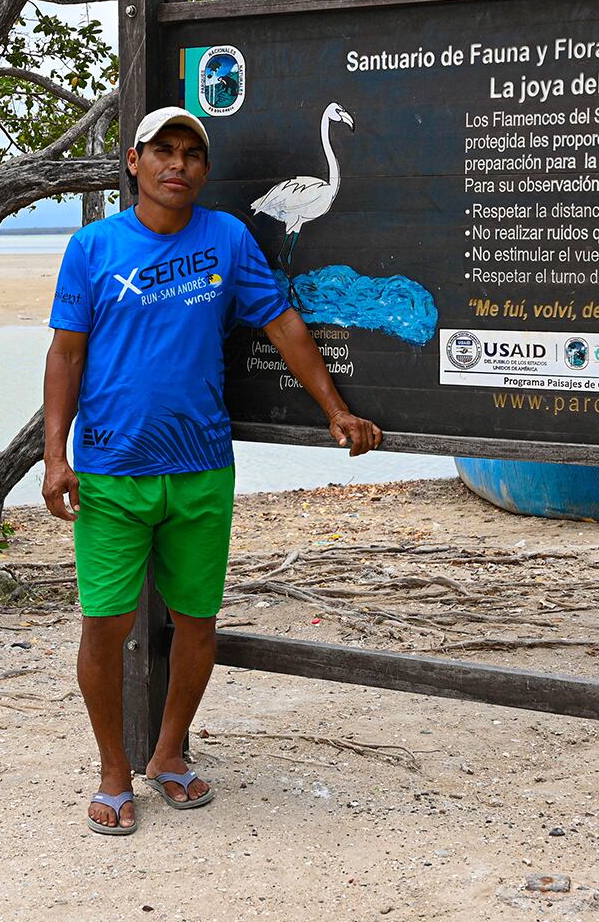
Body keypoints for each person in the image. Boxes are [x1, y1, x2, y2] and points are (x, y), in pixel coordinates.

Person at [43, 105, 383, 835]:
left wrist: (336, 409)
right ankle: (112, 770)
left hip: (201, 467)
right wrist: (54, 456)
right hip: (112, 471)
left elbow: (282, 323)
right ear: (133, 162)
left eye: (191, 154)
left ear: (204, 168)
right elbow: (66, 353)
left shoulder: (226, 238)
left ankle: (169, 754)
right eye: (162, 151)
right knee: (105, 624)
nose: (178, 164)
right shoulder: (93, 247)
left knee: (197, 622)